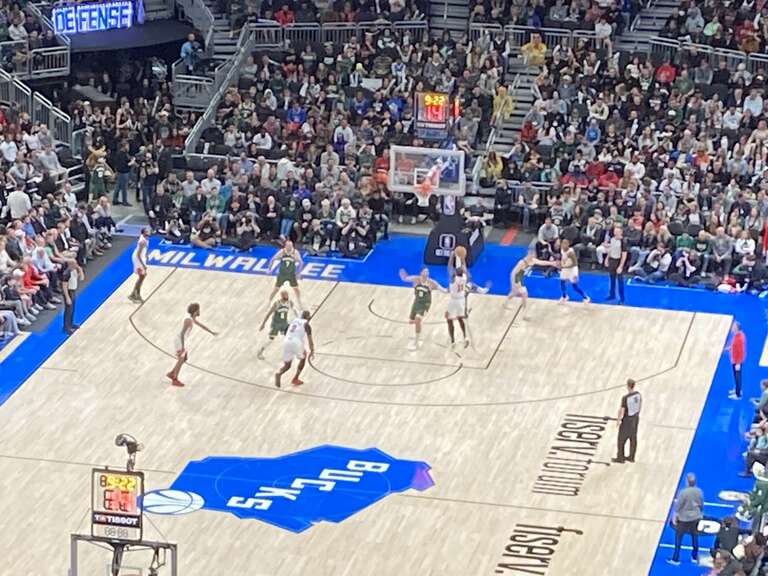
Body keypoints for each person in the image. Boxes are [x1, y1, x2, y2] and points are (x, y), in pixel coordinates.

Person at [166, 302, 218, 387]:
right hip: (179, 340)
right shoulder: (188, 321)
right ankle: (175, 379)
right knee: (181, 359)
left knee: (184, 358)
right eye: (198, 310)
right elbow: (182, 334)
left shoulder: (191, 318)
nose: (199, 311)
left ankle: (172, 373)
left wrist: (211, 332)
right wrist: (182, 347)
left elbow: (201, 326)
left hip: (180, 340)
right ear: (195, 311)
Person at [399, 267, 445, 351]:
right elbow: (405, 279)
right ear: (421, 273)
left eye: (428, 271)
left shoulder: (431, 283)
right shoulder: (415, 279)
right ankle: (418, 326)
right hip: (416, 303)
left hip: (425, 304)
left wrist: (451, 290)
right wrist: (403, 277)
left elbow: (443, 289)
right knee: (411, 321)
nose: (427, 273)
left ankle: (416, 343)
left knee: (417, 319)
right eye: (425, 271)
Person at [505, 250, 557, 318]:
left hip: (520, 278)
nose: (533, 256)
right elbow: (513, 273)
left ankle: (505, 303)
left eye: (533, 255)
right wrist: (513, 284)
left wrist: (551, 263)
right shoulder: (522, 262)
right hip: (516, 278)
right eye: (531, 255)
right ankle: (524, 313)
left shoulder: (533, 260)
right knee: (524, 293)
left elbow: (541, 262)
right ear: (528, 255)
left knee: (514, 292)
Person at [445, 268, 488, 349]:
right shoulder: (464, 278)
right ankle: (465, 337)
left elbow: (450, 272)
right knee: (460, 318)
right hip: (461, 297)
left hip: (454, 300)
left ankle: (453, 341)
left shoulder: (453, 281)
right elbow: (468, 276)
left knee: (449, 320)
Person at [668, 473, 704, 565]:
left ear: (687, 482)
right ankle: (694, 557)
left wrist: (674, 516)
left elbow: (678, 506)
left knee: (678, 538)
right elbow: (701, 504)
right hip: (695, 517)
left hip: (684, 519)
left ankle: (675, 559)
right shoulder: (699, 491)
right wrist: (700, 513)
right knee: (695, 536)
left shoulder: (683, 492)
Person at [274, 310, 315, 388]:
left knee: (287, 365)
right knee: (303, 357)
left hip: (286, 341)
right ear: (308, 317)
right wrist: (312, 350)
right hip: (296, 342)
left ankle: (279, 373)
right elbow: (310, 340)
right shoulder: (306, 324)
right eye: (309, 316)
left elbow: (285, 331)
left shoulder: (294, 321)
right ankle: (295, 378)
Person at [257, 289, 296, 360]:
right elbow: (269, 314)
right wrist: (263, 324)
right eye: (285, 295)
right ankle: (260, 351)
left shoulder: (290, 303)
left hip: (284, 323)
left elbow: (294, 311)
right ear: (282, 296)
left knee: (290, 336)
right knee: (271, 340)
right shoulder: (277, 304)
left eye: (287, 294)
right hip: (276, 324)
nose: (287, 296)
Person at [267, 240, 304, 308]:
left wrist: (299, 273)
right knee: (276, 289)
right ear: (285, 246)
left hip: (291, 274)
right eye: (288, 246)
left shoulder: (295, 252)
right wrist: (269, 269)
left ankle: (299, 302)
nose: (290, 247)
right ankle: (269, 302)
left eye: (291, 245)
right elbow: (273, 259)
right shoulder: (282, 252)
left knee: (296, 289)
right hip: (282, 274)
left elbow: (301, 262)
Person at [613, 379, 641, 463]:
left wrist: (618, 420)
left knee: (621, 439)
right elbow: (640, 405)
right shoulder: (638, 395)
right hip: (635, 418)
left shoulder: (625, 398)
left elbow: (622, 410)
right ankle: (631, 457)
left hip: (627, 420)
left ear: (628, 386)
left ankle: (620, 457)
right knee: (633, 438)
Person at [559, 238, 590, 303]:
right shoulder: (562, 250)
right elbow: (562, 258)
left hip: (573, 270)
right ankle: (564, 296)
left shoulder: (571, 253)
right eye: (563, 243)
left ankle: (585, 297)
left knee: (575, 287)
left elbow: (575, 263)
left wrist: (565, 266)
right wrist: (562, 264)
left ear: (568, 245)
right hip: (566, 268)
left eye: (565, 244)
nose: (564, 245)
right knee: (562, 282)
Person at [606, 226, 628, 304]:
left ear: (621, 232)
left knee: (620, 281)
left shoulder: (623, 241)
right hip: (612, 260)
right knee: (612, 279)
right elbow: (610, 249)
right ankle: (612, 294)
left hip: (618, 261)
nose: (616, 233)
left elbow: (624, 255)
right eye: (615, 231)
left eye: (618, 231)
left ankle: (622, 298)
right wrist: (607, 259)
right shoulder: (612, 239)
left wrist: (621, 266)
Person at [60, 260, 83, 335]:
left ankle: (71, 324)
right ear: (70, 265)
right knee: (68, 310)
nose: (76, 264)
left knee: (72, 309)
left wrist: (80, 269)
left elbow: (81, 278)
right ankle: (66, 328)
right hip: (69, 292)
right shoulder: (66, 273)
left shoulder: (74, 270)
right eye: (75, 264)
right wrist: (67, 297)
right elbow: (64, 286)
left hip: (73, 290)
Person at [129, 227, 150, 304]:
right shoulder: (142, 241)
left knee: (142, 277)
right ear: (144, 233)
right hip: (138, 259)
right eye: (147, 231)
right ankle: (136, 295)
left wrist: (146, 255)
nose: (149, 232)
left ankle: (133, 294)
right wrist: (143, 265)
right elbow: (138, 254)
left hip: (140, 257)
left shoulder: (145, 239)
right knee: (142, 277)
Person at [727, 321, 746, 399]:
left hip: (737, 361)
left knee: (738, 376)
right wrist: (729, 348)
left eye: (733, 327)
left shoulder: (740, 338)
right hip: (734, 360)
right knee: (735, 376)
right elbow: (734, 345)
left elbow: (741, 351)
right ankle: (736, 389)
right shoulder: (736, 335)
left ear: (736, 328)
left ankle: (738, 394)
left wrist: (738, 363)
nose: (731, 328)